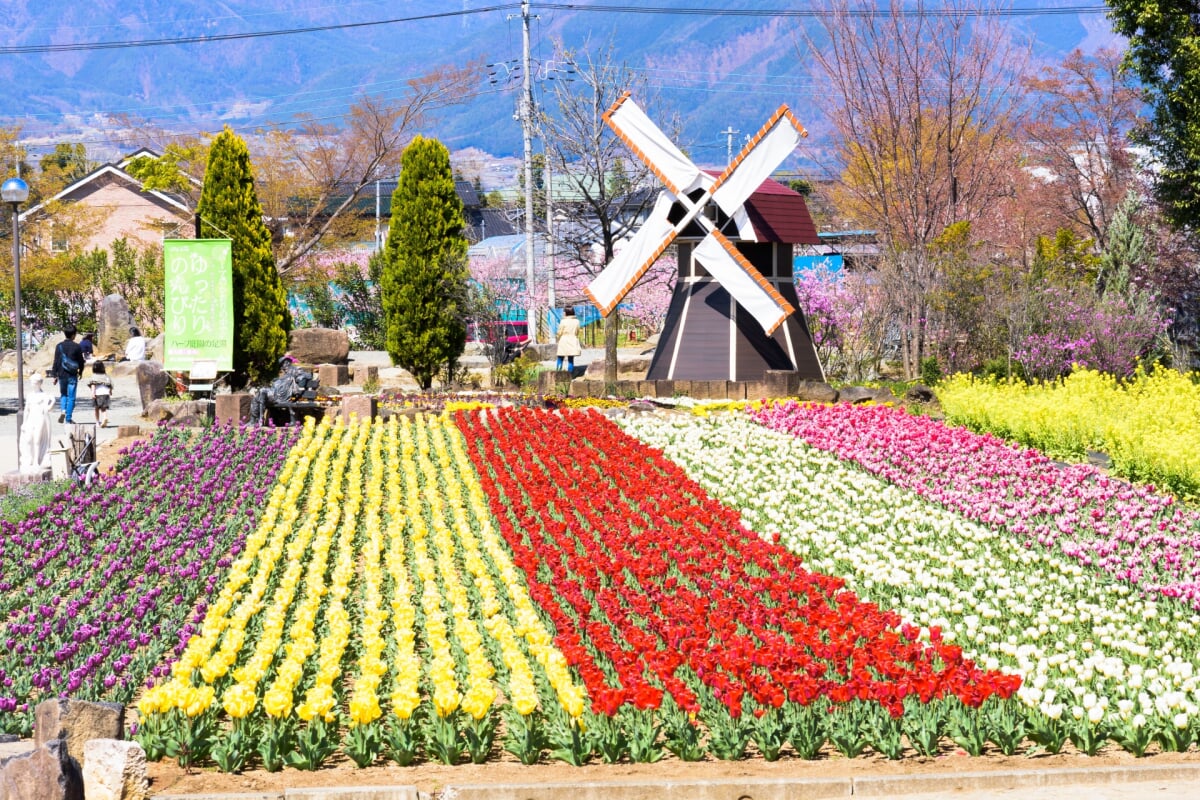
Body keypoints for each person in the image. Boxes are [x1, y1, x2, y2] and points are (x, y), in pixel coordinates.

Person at [249, 354, 316, 425]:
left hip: (280, 396)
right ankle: (253, 420)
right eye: (282, 365)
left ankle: (260, 420)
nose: (283, 367)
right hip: (275, 392)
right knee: (257, 397)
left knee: (262, 392)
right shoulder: (284, 375)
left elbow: (307, 375)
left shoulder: (295, 371)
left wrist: (301, 382)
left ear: (288, 363)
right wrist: (278, 380)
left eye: (284, 364)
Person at [18, 373, 56, 469]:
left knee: (37, 440)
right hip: (31, 418)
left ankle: (36, 461)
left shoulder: (44, 395)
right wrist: (24, 423)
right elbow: (27, 410)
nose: (33, 385)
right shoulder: (30, 395)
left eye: (34, 383)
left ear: (39, 384)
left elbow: (48, 409)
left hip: (40, 418)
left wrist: (53, 402)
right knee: (28, 439)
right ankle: (29, 459)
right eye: (32, 383)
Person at [51, 324, 85, 425]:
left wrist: (54, 375)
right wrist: (80, 372)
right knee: (71, 397)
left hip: (61, 374)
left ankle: (63, 411)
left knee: (63, 394)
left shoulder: (59, 346)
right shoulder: (77, 347)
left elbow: (56, 361)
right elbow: (81, 361)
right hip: (72, 375)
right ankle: (68, 418)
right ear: (74, 335)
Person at [87, 361, 113, 428]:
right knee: (103, 408)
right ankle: (105, 418)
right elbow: (110, 385)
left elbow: (93, 385)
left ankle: (97, 422)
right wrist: (110, 391)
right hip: (105, 393)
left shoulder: (94, 376)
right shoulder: (106, 376)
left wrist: (93, 393)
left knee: (96, 409)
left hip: (97, 393)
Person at [555, 307, 582, 372]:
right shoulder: (577, 321)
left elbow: (559, 332)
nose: (563, 313)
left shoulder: (563, 321)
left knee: (560, 358)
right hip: (573, 340)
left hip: (564, 340)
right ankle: (570, 376)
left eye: (564, 312)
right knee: (571, 359)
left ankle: (558, 374)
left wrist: (557, 337)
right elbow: (577, 332)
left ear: (566, 312)